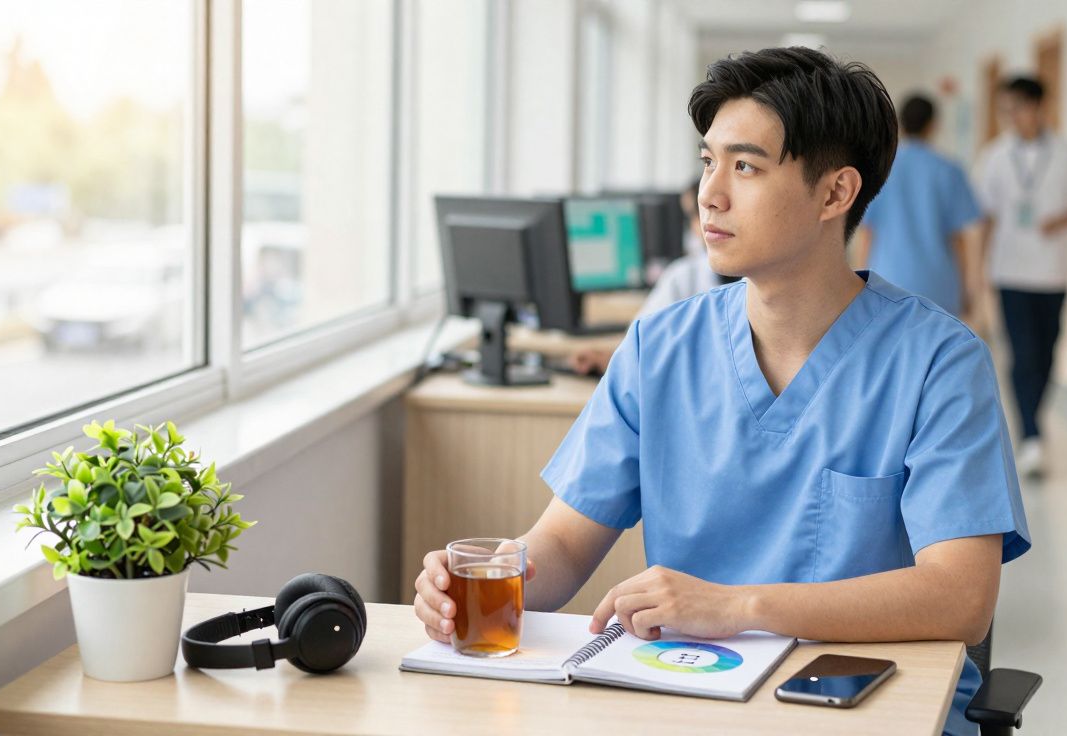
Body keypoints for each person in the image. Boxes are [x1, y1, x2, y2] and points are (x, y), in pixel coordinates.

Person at [415, 47, 1029, 736]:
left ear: (835, 193)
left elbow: (960, 598)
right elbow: (560, 545)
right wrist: (490, 579)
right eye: (709, 161)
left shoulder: (939, 363)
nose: (710, 193)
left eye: (745, 166)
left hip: (870, 711)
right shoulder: (660, 348)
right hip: (692, 702)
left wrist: (739, 607)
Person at [973, 76, 1067, 478]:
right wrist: (980, 268)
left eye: (1017, 107)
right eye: (1004, 109)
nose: (1010, 117)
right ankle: (1031, 436)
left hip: (1053, 272)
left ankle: (1032, 424)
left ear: (1039, 107)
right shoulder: (995, 155)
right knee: (1022, 354)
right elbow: (986, 215)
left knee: (1046, 354)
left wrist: (1060, 219)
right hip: (1010, 270)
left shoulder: (1065, 153)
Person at [569, 178, 736, 375]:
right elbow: (638, 348)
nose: (696, 225)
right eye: (694, 215)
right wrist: (611, 359)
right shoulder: (684, 276)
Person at [860, 93, 981, 317]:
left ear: (899, 123)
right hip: (938, 285)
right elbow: (958, 239)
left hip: (886, 280)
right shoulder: (949, 170)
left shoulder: (880, 169)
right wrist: (966, 289)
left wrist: (859, 287)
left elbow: (868, 233)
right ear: (934, 125)